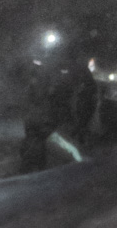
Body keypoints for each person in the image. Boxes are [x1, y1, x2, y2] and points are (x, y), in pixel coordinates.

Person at [17, 30, 97, 171]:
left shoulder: (73, 70)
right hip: (49, 114)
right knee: (42, 141)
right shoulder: (49, 68)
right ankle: (35, 166)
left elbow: (85, 93)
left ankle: (74, 167)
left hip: (59, 114)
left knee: (63, 144)